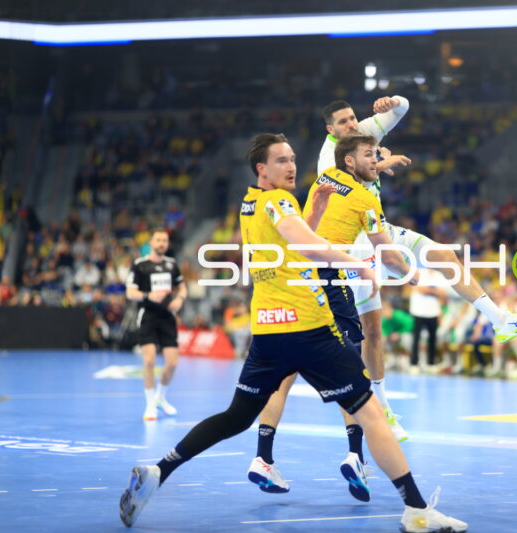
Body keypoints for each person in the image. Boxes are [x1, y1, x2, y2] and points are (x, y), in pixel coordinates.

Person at [119, 133, 467, 533]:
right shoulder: (280, 201)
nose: (291, 166)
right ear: (261, 169)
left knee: (236, 416)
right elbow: (310, 246)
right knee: (370, 412)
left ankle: (157, 471)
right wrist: (356, 265)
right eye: (281, 161)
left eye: (293, 159)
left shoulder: (251, 203)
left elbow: (292, 244)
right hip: (309, 329)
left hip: (268, 332)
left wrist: (315, 212)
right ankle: (417, 512)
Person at [318, 97, 517, 437]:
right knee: (372, 331)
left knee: (445, 255)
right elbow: (346, 185)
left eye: (352, 117)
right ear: (331, 129)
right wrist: (382, 161)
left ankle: (500, 319)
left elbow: (402, 111)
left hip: (382, 230)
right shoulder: (328, 158)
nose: (352, 124)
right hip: (357, 249)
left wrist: (394, 100)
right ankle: (382, 412)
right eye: (344, 122)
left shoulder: (361, 133)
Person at [248, 134, 419, 501]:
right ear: (351, 161)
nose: (375, 160)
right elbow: (387, 255)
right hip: (332, 276)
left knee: (284, 374)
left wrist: (381, 162)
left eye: (377, 156)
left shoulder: (323, 180)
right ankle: (357, 456)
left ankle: (262, 458)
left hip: (294, 279)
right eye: (369, 156)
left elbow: (309, 224)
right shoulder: (366, 198)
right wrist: (413, 274)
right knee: (351, 371)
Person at [125, 229, 186, 421]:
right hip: (148, 316)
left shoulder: (171, 265)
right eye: (158, 240)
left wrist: (180, 299)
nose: (162, 243)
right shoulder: (140, 265)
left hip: (167, 317)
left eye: (165, 240)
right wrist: (147, 296)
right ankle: (150, 404)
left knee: (172, 363)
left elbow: (182, 286)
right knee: (149, 360)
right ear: (151, 242)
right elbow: (130, 292)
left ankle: (160, 396)